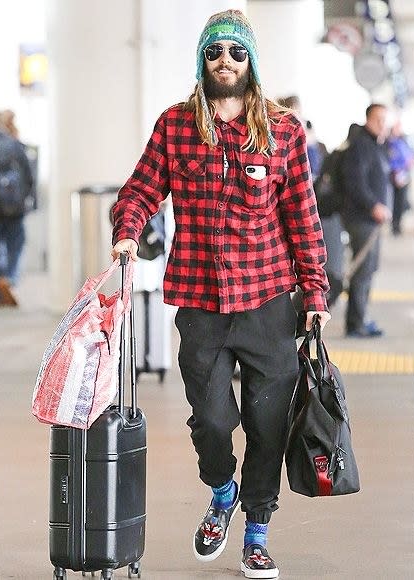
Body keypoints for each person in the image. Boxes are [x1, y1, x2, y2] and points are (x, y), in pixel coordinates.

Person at [111, 10, 330, 578]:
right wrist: (128, 232)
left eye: (236, 53)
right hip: (201, 302)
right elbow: (139, 190)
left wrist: (315, 292)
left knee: (267, 422)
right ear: (202, 61)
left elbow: (303, 218)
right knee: (210, 419)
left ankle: (256, 528)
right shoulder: (176, 125)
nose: (225, 62)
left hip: (269, 303)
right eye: (215, 53)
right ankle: (221, 488)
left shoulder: (282, 130)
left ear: (250, 62)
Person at [341, 104, 392, 338]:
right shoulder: (360, 145)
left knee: (369, 269)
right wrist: (373, 205)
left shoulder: (377, 145)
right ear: (368, 119)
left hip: (372, 221)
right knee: (362, 271)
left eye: (385, 119)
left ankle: (361, 318)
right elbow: (355, 183)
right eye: (378, 119)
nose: (382, 123)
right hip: (362, 219)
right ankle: (355, 324)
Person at [0, 111, 34, 306]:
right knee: (15, 245)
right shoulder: (15, 145)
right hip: (15, 207)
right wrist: (28, 200)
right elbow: (29, 176)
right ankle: (9, 277)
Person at [387, 117, 414, 235]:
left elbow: (408, 155)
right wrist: (396, 173)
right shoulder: (389, 142)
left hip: (405, 176)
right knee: (396, 203)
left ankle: (397, 224)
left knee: (402, 202)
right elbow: (391, 159)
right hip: (395, 177)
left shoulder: (403, 141)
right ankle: (395, 225)